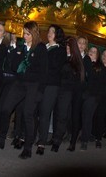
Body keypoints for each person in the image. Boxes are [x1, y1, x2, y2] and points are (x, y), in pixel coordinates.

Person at [0, 21, 47, 159]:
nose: (25, 36)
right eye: (24, 33)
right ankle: (0, 140)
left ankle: (27, 147)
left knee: (28, 114)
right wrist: (14, 49)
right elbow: (13, 65)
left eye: (28, 34)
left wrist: (40, 91)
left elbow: (43, 72)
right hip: (19, 82)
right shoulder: (21, 47)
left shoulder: (40, 48)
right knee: (5, 109)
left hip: (33, 85)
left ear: (34, 33)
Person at [35, 24, 66, 155]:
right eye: (49, 31)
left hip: (51, 85)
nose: (49, 33)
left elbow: (55, 67)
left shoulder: (60, 50)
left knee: (45, 112)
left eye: (52, 32)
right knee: (35, 111)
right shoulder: (43, 47)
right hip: (39, 83)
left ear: (57, 35)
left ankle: (42, 142)